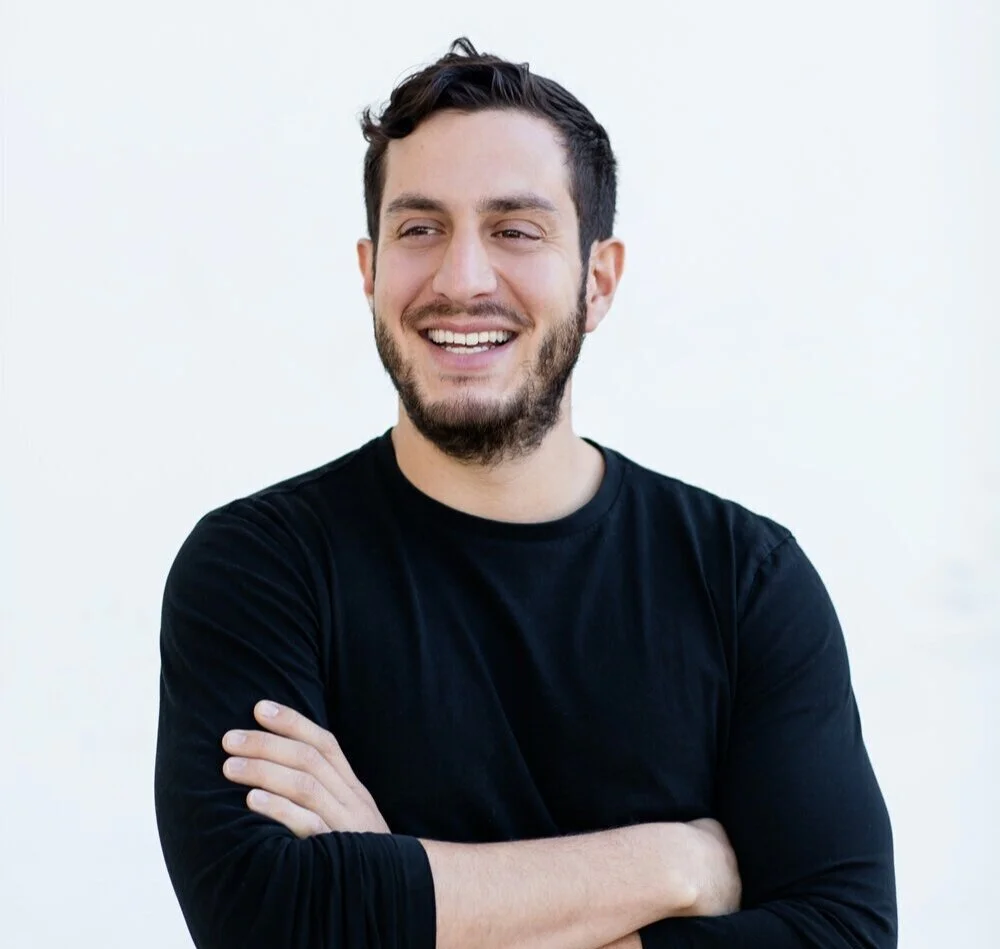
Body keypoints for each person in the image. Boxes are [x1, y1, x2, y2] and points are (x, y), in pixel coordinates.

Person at [154, 37, 897, 949]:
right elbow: (269, 921)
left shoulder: (745, 579)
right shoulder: (261, 568)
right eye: (420, 229)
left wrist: (389, 888)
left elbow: (845, 935)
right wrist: (671, 866)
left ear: (598, 280)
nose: (461, 279)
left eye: (515, 229)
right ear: (370, 271)